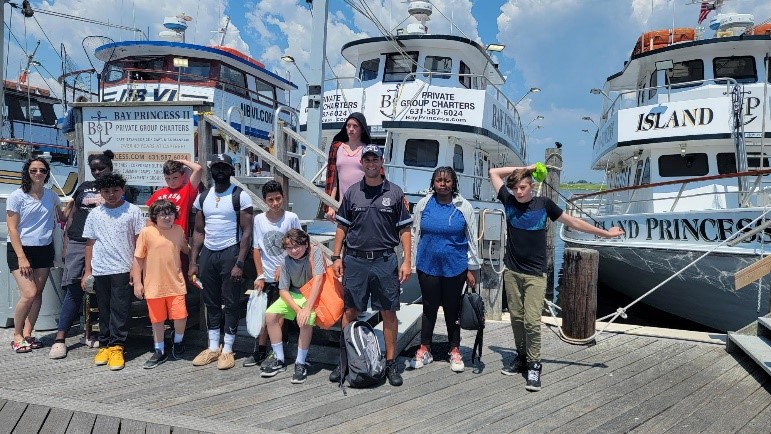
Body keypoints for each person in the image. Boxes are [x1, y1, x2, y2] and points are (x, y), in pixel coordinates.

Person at [489, 164, 624, 391]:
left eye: (523, 187)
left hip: (535, 274)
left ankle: (534, 364)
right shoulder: (508, 200)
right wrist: (528, 167)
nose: (519, 192)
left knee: (532, 321)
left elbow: (574, 222)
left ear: (531, 186)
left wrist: (605, 233)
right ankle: (521, 357)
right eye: (515, 188)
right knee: (516, 318)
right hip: (512, 271)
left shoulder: (544, 205)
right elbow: (494, 172)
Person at [330, 144, 412, 387]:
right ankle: (345, 361)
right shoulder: (352, 192)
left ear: (381, 162)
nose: (371, 163)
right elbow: (342, 227)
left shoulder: (395, 193)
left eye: (375, 159)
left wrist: (407, 260)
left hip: (385, 261)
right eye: (367, 160)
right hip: (355, 261)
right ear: (362, 163)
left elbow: (405, 229)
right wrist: (336, 257)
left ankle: (390, 363)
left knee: (389, 312)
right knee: (350, 311)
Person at [411, 166, 480, 373]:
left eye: (447, 181)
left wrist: (472, 268)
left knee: (452, 310)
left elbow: (472, 239)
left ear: (453, 183)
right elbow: (415, 233)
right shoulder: (423, 204)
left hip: (455, 267)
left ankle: (454, 348)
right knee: (429, 309)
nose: (443, 184)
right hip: (427, 265)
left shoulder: (464, 206)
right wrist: (411, 262)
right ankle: (425, 348)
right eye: (439, 180)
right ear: (433, 183)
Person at [188, 154, 253, 370]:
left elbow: (247, 232)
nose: (220, 171)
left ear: (232, 170)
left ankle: (228, 348)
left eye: (224, 167)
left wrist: (240, 262)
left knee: (231, 301)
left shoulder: (240, 196)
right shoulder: (203, 197)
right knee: (211, 301)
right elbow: (198, 231)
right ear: (211, 170)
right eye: (216, 167)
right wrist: (193, 261)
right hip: (209, 252)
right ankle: (213, 346)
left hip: (230, 251)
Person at [49, 150, 114, 359]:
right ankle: (60, 339)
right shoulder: (84, 187)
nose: (97, 172)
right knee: (74, 289)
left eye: (101, 168)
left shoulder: (117, 188)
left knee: (102, 289)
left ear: (110, 167)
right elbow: (72, 215)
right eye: (94, 169)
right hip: (78, 241)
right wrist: (66, 242)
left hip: (104, 243)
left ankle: (95, 332)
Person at [81, 173, 145, 370]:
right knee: (104, 308)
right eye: (106, 191)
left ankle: (117, 346)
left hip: (123, 268)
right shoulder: (94, 214)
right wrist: (87, 271)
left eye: (115, 190)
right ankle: (104, 344)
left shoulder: (133, 211)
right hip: (100, 269)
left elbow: (139, 243)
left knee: (120, 308)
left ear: (122, 190)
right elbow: (90, 243)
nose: (111, 194)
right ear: (100, 192)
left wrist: (136, 269)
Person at [7, 157, 65, 353]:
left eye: (42, 170)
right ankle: (17, 335)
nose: (38, 173)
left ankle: (28, 334)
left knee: (38, 293)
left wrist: (73, 204)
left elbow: (61, 218)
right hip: (21, 249)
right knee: (29, 293)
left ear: (47, 173)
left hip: (44, 248)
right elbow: (12, 228)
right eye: (34, 170)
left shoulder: (52, 195)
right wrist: (21, 257)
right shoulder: (17, 196)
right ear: (27, 173)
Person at [243, 180, 301, 368]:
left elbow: (299, 246)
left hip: (285, 277)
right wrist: (260, 275)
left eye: (278, 198)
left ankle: (275, 351)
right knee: (262, 314)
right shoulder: (259, 220)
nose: (275, 203)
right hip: (266, 276)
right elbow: (256, 249)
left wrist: (283, 266)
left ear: (283, 197)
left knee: (278, 315)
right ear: (264, 200)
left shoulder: (291, 218)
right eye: (271, 200)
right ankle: (260, 348)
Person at [260, 229, 324, 384]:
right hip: (294, 294)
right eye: (289, 248)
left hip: (312, 294)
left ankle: (300, 362)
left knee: (306, 319)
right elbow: (283, 290)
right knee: (270, 315)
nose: (294, 251)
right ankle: (279, 359)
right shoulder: (285, 261)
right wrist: (298, 309)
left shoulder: (315, 252)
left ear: (306, 244)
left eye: (297, 246)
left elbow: (318, 279)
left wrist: (306, 309)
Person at [133, 199, 191, 369]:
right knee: (157, 320)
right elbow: (138, 259)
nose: (167, 217)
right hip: (153, 285)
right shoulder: (146, 232)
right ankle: (159, 349)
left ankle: (178, 341)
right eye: (162, 214)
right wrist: (137, 282)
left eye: (170, 213)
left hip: (176, 283)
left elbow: (186, 249)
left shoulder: (179, 230)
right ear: (154, 217)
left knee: (181, 316)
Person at [322, 112, 369, 221]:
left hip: (363, 206)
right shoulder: (336, 148)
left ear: (362, 129)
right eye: (348, 125)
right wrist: (331, 206)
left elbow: (376, 178)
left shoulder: (367, 149)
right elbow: (333, 180)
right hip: (342, 206)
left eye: (355, 126)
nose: (351, 129)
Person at [146, 159, 203, 235]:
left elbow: (198, 169)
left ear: (183, 176)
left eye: (175, 177)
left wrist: (182, 161)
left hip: (178, 236)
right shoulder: (158, 193)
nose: (171, 181)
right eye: (168, 178)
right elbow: (150, 218)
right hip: (159, 236)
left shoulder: (187, 191)